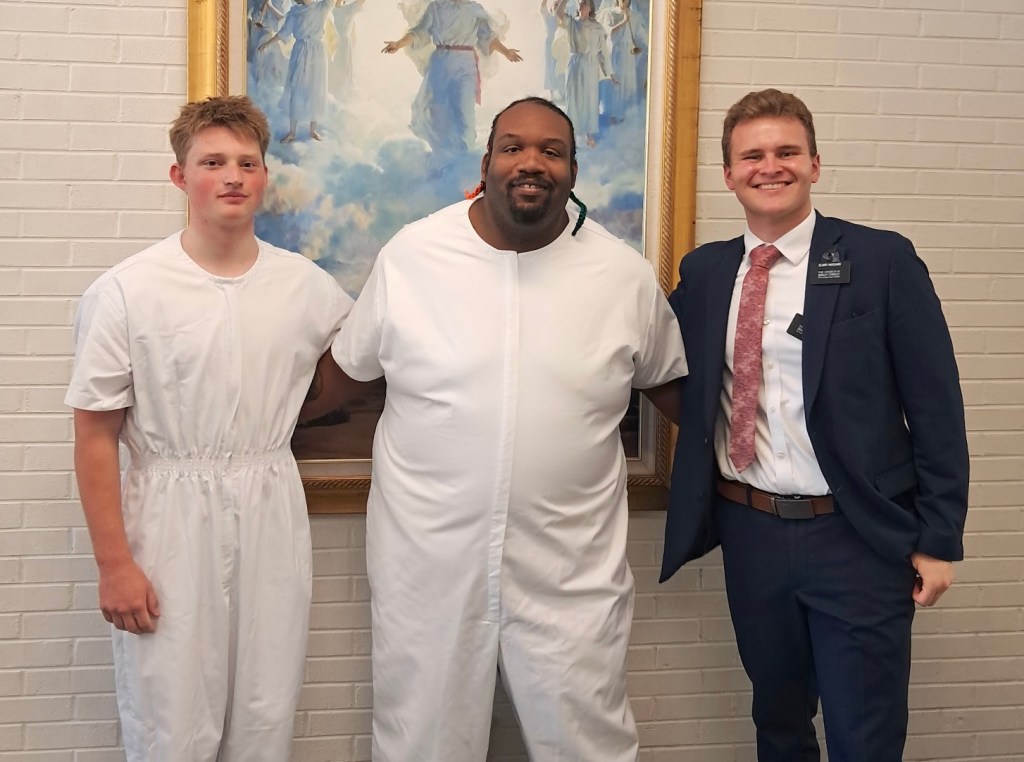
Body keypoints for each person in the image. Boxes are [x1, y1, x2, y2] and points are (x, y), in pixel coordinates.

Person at [330, 96, 687, 761]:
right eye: (513, 147)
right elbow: (345, 372)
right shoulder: (413, 255)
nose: (532, 162)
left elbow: (676, 391)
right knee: (420, 743)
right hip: (428, 562)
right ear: (485, 163)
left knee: (589, 743)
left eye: (552, 151)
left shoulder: (623, 277)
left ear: (574, 171)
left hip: (570, 567)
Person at [661, 88, 969, 761]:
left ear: (815, 165)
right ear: (728, 174)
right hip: (751, 531)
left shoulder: (882, 261)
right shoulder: (707, 273)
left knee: (864, 737)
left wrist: (939, 538)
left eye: (787, 152)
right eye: (753, 156)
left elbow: (938, 409)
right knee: (778, 725)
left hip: (856, 537)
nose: (770, 166)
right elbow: (646, 349)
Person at [66, 95, 361, 762]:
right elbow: (94, 436)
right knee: (170, 719)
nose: (232, 176)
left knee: (264, 711)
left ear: (264, 176)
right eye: (213, 162)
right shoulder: (128, 291)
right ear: (181, 176)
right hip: (166, 521)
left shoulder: (305, 286)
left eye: (247, 163)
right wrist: (115, 565)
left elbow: (366, 358)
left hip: (270, 505)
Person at [382, 0, 522, 156]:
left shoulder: (474, 9)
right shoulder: (436, 7)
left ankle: (465, 155)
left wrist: (506, 51)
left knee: (465, 112)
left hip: (465, 64)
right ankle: (443, 155)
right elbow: (419, 31)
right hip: (441, 63)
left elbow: (487, 37)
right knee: (438, 110)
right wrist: (398, 44)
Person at [259, 0, 344, 142]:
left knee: (316, 89)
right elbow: (283, 33)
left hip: (317, 53)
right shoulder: (295, 12)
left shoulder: (322, 6)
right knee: (296, 88)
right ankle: (292, 132)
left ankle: (313, 130)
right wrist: (267, 44)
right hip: (300, 51)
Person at [555, 0, 614, 148]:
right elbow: (558, 13)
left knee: (589, 98)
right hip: (575, 63)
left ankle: (589, 133)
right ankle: (572, 133)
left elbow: (603, 52)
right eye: (580, 2)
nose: (582, 4)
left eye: (585, 2)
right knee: (574, 98)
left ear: (590, 7)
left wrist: (610, 73)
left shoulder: (597, 27)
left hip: (590, 66)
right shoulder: (572, 23)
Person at [598, 0, 641, 124]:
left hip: (628, 55)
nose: (624, 1)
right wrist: (624, 21)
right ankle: (612, 114)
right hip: (616, 53)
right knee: (616, 83)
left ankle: (624, 113)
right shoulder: (610, 13)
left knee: (627, 82)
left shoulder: (633, 15)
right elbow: (608, 32)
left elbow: (639, 34)